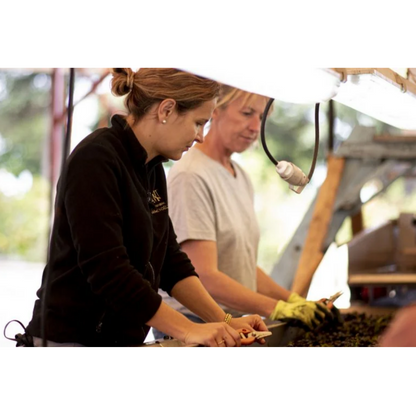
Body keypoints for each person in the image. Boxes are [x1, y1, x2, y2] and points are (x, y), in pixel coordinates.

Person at [25, 65, 268, 350]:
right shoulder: (96, 159)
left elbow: (170, 262)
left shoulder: (152, 169)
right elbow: (110, 272)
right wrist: (188, 330)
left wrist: (224, 320)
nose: (201, 136)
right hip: (70, 340)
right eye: (198, 123)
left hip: (118, 339)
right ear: (166, 110)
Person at [159, 84, 334, 339]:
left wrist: (294, 300)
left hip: (233, 323)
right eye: (246, 113)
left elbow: (241, 267)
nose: (255, 127)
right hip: (196, 327)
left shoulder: (240, 176)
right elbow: (204, 275)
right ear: (215, 111)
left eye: (261, 117)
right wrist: (277, 308)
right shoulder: (191, 175)